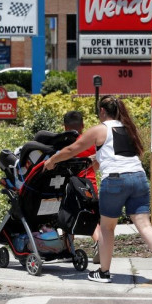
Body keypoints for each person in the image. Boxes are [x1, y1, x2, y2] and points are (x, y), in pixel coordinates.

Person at [45, 95, 152, 286]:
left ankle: (104, 272)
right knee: (145, 225)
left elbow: (73, 148)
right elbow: (116, 156)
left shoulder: (100, 129)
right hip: (138, 178)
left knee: (107, 228)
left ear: (103, 111)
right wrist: (94, 160)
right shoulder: (128, 130)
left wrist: (52, 161)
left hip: (115, 181)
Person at [63, 110, 101, 264]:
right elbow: (97, 166)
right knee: (91, 219)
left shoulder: (66, 143)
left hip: (72, 187)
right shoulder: (90, 142)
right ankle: (100, 243)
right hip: (90, 186)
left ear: (65, 127)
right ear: (83, 125)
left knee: (67, 218)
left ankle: (68, 250)